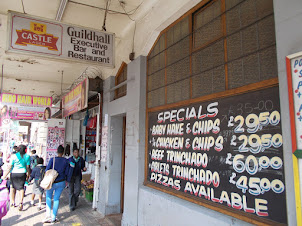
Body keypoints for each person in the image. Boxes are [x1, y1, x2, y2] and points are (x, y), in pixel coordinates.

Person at [44, 145, 69, 224]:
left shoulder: (52, 159)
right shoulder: (65, 161)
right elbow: (67, 172)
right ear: (63, 152)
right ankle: (54, 217)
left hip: (51, 182)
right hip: (61, 182)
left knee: (48, 197)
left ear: (57, 151)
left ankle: (48, 215)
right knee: (56, 199)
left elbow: (47, 170)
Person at [3, 144, 30, 211]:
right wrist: (28, 175)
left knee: (12, 188)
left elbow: (10, 167)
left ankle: (12, 202)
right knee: (21, 188)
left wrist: (4, 176)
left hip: (14, 173)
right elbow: (28, 167)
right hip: (22, 173)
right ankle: (21, 202)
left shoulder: (14, 156)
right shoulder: (27, 156)